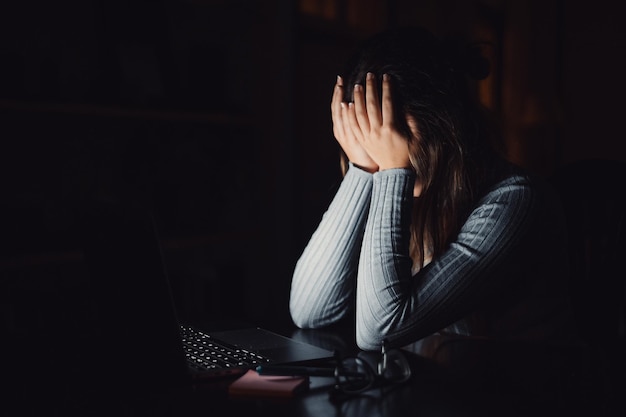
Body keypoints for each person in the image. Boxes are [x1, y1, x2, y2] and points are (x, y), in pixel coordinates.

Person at [289, 26, 577, 352]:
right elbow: (309, 312)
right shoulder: (387, 175)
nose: (379, 149)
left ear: (443, 126)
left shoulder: (518, 200)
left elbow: (378, 331)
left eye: (389, 132)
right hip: (436, 389)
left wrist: (394, 171)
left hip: (512, 395)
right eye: (366, 134)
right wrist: (361, 170)